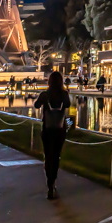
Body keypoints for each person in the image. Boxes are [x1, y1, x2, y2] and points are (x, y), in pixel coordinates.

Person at [33, 71, 70, 200]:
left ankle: (50, 184)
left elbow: (36, 105)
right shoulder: (64, 94)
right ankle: (53, 181)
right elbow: (68, 105)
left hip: (47, 129)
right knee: (56, 156)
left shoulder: (45, 95)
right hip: (60, 130)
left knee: (48, 155)